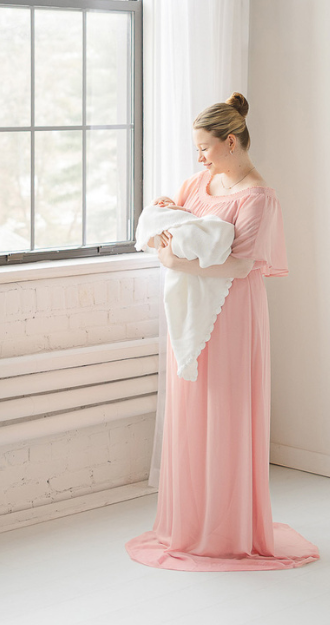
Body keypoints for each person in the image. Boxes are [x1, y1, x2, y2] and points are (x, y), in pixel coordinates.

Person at [126, 94, 319, 571]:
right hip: (192, 310)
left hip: (232, 315)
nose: (199, 157)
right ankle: (190, 522)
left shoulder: (257, 196)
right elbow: (177, 224)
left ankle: (227, 527)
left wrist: (175, 260)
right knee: (193, 409)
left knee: (227, 412)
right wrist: (168, 224)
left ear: (230, 141)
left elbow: (240, 264)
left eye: (205, 148)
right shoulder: (199, 182)